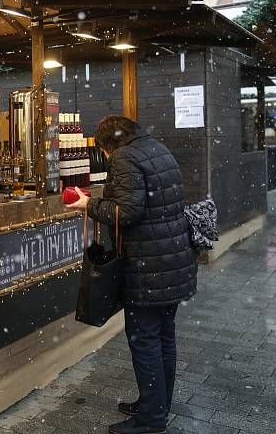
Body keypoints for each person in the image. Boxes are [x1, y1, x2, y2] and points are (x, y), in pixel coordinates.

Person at [66, 115, 197, 434]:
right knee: (163, 335)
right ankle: (157, 404)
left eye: (104, 152)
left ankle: (152, 419)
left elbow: (126, 211)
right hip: (172, 260)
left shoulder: (124, 158)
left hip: (148, 266)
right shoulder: (156, 148)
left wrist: (88, 204)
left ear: (109, 145)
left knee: (145, 339)